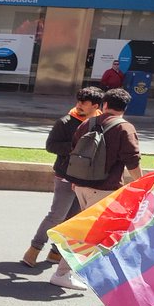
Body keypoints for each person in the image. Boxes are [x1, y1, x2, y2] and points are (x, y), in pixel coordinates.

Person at [52, 88, 141, 291]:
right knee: (88, 234)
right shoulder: (124, 128)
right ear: (125, 108)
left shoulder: (88, 123)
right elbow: (132, 160)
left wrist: (76, 179)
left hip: (81, 186)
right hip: (103, 188)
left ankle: (94, 271)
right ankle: (62, 273)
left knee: (98, 232)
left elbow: (75, 152)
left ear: (104, 105)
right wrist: (140, 183)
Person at [22, 87, 102, 269]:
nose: (79, 105)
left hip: (86, 179)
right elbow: (51, 146)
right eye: (78, 101)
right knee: (56, 215)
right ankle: (34, 249)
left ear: (95, 106)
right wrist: (77, 149)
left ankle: (56, 252)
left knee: (72, 219)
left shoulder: (99, 122)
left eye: (84, 102)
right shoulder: (65, 122)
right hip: (65, 176)